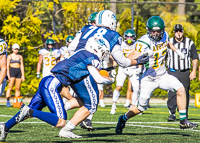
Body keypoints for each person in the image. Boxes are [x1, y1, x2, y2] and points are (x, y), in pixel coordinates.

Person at [0, 36, 115, 141]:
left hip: (47, 80)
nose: (104, 55)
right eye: (103, 52)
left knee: (28, 112)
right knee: (60, 122)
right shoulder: (92, 58)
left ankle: (5, 127)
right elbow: (98, 79)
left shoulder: (80, 52)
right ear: (96, 49)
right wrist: (111, 79)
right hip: (52, 85)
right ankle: (29, 112)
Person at [62, 10, 149, 137]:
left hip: (72, 64)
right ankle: (67, 128)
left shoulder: (87, 28)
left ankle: (58, 112)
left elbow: (71, 48)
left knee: (81, 97)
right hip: (87, 68)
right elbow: (122, 62)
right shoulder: (113, 35)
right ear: (112, 22)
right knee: (91, 103)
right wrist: (137, 61)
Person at [115, 16, 198, 135]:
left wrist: (177, 51)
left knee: (180, 89)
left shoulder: (165, 36)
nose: (155, 34)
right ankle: (123, 118)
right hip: (148, 79)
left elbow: (167, 43)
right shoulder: (143, 42)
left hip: (163, 75)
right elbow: (128, 57)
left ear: (162, 30)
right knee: (140, 108)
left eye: (158, 31)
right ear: (148, 30)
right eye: (153, 31)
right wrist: (143, 53)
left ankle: (183, 121)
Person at [167, 24, 198, 121]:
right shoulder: (169, 42)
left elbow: (195, 58)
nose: (178, 33)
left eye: (180, 31)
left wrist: (193, 71)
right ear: (174, 32)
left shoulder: (189, 42)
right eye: (176, 31)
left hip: (185, 71)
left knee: (185, 93)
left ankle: (184, 114)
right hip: (172, 71)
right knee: (172, 92)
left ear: (183, 32)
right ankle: (172, 113)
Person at [110, 29, 141, 114]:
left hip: (133, 68)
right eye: (128, 36)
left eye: (131, 37)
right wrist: (113, 68)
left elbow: (140, 57)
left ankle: (132, 106)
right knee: (119, 86)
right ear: (125, 37)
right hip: (123, 68)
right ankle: (114, 104)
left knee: (136, 88)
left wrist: (140, 67)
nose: (129, 38)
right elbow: (116, 56)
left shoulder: (136, 45)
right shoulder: (121, 45)